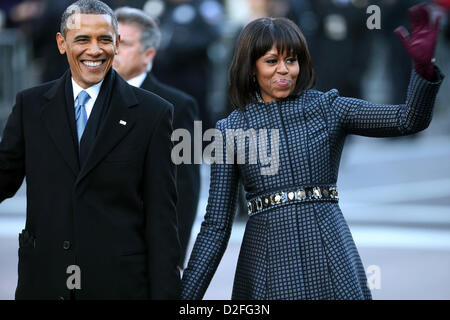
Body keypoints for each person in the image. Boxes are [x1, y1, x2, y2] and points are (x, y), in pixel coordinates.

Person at [181, 4, 444, 300]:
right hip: (265, 262)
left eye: (291, 60)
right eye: (271, 61)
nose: (284, 70)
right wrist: (185, 298)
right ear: (251, 67)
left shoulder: (327, 108)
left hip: (330, 251)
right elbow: (216, 226)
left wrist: (423, 71)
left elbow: (408, 119)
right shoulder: (230, 130)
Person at [0, 0, 180, 299]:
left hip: (118, 286)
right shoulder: (30, 106)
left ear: (117, 43)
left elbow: (162, 219)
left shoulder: (153, 113)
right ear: (61, 43)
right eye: (82, 39)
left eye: (105, 40)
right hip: (45, 282)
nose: (94, 50)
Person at [112, 6, 200, 267]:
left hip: (143, 253)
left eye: (124, 44)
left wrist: (171, 259)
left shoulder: (179, 106)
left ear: (148, 54)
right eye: (109, 41)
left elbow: (185, 188)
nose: (112, 51)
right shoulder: (82, 100)